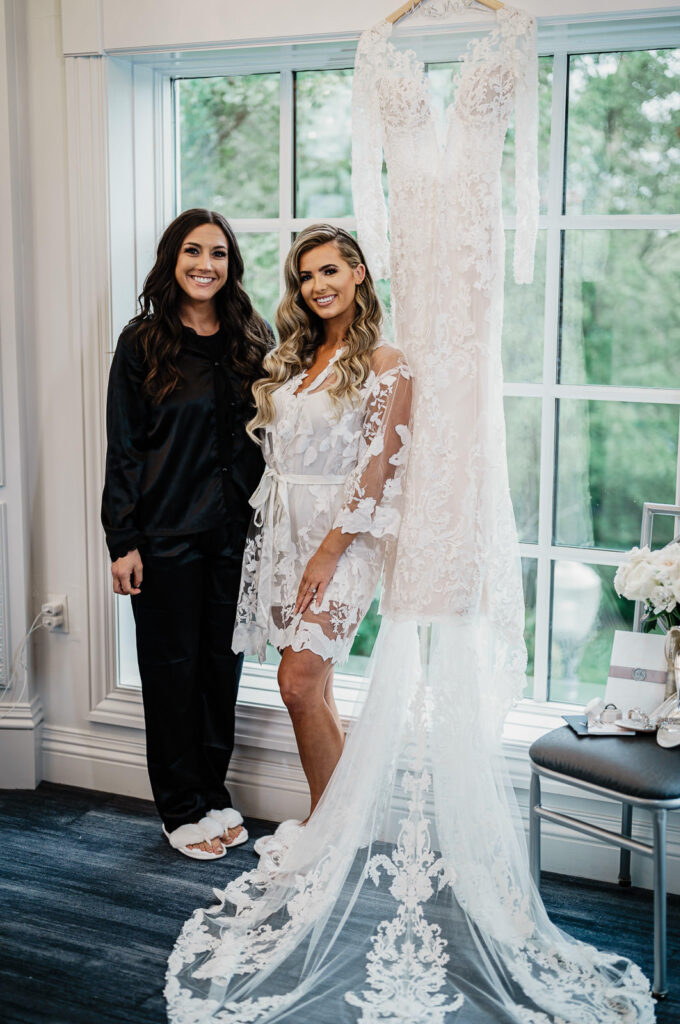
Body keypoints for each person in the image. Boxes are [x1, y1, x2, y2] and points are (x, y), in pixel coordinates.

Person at [232, 224, 413, 840]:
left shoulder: (387, 364)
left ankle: (330, 830)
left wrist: (327, 555)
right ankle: (331, 824)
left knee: (298, 682)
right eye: (306, 276)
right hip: (282, 533)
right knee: (317, 685)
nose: (317, 286)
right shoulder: (297, 357)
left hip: (343, 538)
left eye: (329, 270)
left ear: (359, 272)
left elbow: (378, 469)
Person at [101, 208, 272, 860]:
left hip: (235, 534)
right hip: (165, 534)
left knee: (218, 670)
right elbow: (123, 447)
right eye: (194, 251)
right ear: (173, 259)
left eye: (219, 253)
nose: (206, 264)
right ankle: (179, 809)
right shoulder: (142, 342)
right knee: (171, 674)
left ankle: (212, 792)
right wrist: (123, 539)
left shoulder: (251, 336)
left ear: (231, 265)